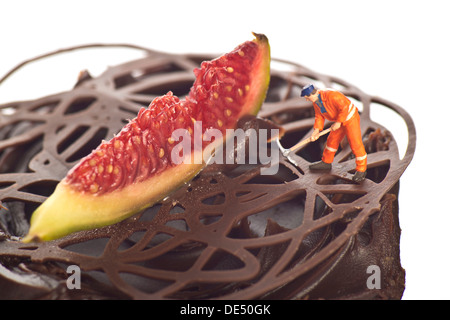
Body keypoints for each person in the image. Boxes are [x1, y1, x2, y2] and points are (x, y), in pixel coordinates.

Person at [300, 84, 367, 182]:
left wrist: (339, 122)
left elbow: (344, 108)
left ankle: (361, 170)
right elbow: (319, 117)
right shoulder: (316, 102)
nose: (307, 100)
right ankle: (326, 162)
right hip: (338, 121)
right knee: (331, 141)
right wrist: (316, 130)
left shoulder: (332, 95)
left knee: (355, 144)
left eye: (307, 97)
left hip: (350, 118)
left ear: (312, 94)